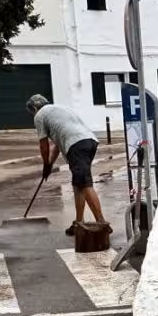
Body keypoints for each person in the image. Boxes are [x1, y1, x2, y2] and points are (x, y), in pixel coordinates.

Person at [27, 94, 105, 236]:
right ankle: (78, 223)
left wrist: (45, 164)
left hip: (76, 144)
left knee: (84, 183)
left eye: (31, 111)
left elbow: (43, 145)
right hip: (90, 141)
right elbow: (56, 145)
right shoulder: (60, 109)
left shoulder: (40, 115)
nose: (32, 114)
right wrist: (50, 164)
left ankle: (101, 223)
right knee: (78, 184)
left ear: (34, 107)